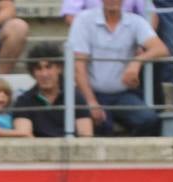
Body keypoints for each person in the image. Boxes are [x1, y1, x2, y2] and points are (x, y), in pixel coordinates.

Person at [70, 0, 166, 136]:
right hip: (92, 93)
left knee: (149, 120)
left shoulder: (135, 21)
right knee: (101, 126)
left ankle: (134, 155)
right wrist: (91, 101)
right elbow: (79, 66)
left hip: (123, 94)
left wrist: (136, 62)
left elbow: (161, 49)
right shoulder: (84, 20)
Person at [11, 40, 93, 137]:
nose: (44, 74)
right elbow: (25, 136)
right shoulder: (24, 101)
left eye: (48, 67)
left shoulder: (75, 97)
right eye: (38, 68)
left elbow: (86, 135)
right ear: (33, 72)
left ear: (59, 68)